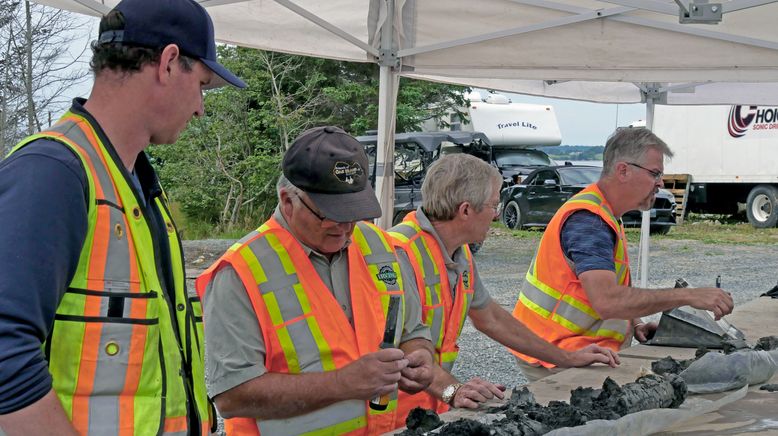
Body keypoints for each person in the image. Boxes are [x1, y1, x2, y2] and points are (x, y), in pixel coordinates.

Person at [0, 0, 246, 434]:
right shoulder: (54, 172)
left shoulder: (135, 186)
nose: (200, 109)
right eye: (203, 86)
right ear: (169, 63)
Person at [195, 126, 435, 435]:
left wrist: (421, 357)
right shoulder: (239, 272)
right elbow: (232, 396)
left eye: (354, 214)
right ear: (287, 201)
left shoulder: (379, 245)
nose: (344, 228)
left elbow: (413, 330)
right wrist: (342, 384)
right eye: (329, 215)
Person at [388, 153, 620, 423]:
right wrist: (452, 389)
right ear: (465, 211)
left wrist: (566, 357)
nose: (497, 215)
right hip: (387, 415)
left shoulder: (458, 253)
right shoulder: (398, 254)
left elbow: (492, 318)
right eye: (493, 205)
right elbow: (404, 345)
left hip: (424, 410)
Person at [510, 127, 734, 381]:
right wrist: (688, 296)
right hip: (560, 353)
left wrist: (634, 322)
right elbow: (607, 300)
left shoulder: (604, 213)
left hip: (579, 348)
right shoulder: (589, 221)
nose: (660, 182)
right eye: (655, 173)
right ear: (623, 170)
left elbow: (609, 290)